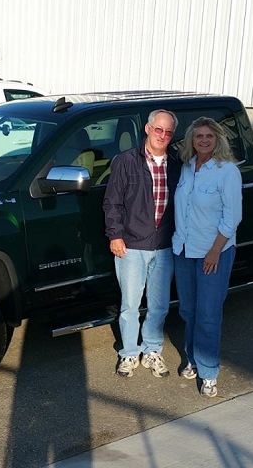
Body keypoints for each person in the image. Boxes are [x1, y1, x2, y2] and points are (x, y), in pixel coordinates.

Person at [103, 109, 181, 378]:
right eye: (158, 129)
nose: (163, 135)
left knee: (159, 305)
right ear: (147, 129)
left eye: (168, 132)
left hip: (164, 246)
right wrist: (115, 235)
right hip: (132, 245)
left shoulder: (176, 163)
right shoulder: (126, 161)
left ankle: (152, 350)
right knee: (130, 305)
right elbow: (112, 202)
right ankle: (128, 353)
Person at [172, 116, 243, 397]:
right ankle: (192, 357)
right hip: (184, 250)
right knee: (188, 310)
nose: (203, 140)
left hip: (213, 252)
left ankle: (209, 370)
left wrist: (214, 251)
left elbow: (233, 216)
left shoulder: (227, 171)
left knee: (208, 315)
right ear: (191, 139)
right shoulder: (187, 168)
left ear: (218, 140)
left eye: (209, 136)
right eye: (198, 136)